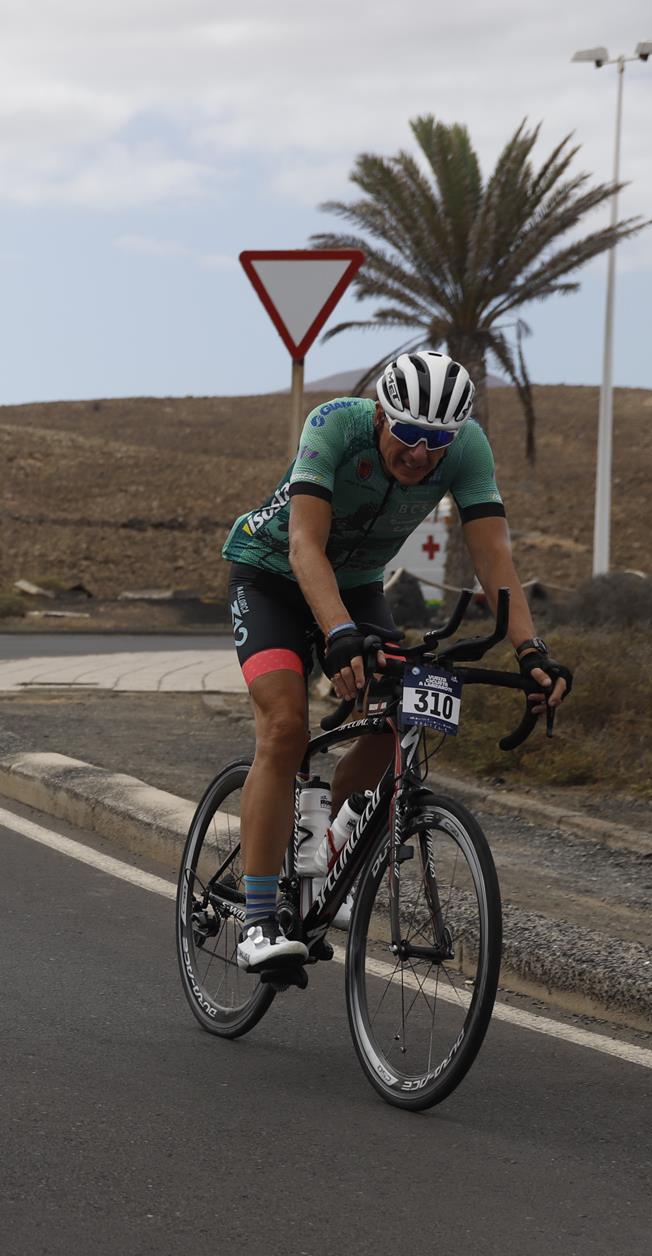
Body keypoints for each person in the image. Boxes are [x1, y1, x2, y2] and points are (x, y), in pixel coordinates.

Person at [220, 350, 572, 971]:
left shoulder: (467, 451)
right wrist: (337, 635)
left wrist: (530, 650)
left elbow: (494, 560)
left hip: (356, 583)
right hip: (273, 573)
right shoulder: (333, 425)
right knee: (284, 728)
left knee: (400, 716)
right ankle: (255, 920)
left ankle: (324, 860)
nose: (420, 454)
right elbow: (305, 545)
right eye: (407, 434)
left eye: (436, 441)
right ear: (381, 414)